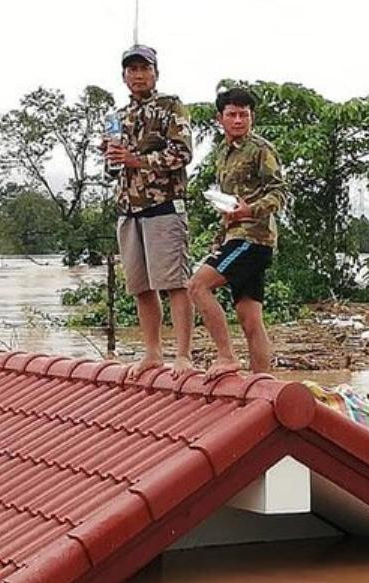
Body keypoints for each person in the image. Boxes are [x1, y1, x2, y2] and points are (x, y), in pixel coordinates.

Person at [105, 44, 195, 379]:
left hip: (164, 205)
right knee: (140, 287)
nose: (138, 75)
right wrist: (112, 156)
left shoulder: (171, 107)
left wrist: (138, 160)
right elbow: (112, 169)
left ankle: (183, 355)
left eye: (144, 68)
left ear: (156, 72)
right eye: (132, 69)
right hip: (128, 209)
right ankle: (153, 353)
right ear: (124, 76)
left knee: (174, 282)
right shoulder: (116, 117)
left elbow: (182, 154)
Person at [187, 87, 288, 380]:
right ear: (221, 118)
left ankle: (226, 356)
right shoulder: (222, 154)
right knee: (250, 319)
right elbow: (229, 203)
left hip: (253, 238)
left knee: (198, 286)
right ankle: (262, 383)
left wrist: (249, 210)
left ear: (252, 117)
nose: (239, 120)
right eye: (232, 114)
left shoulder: (261, 149)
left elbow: (280, 192)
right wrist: (221, 235)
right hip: (234, 237)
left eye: (244, 114)